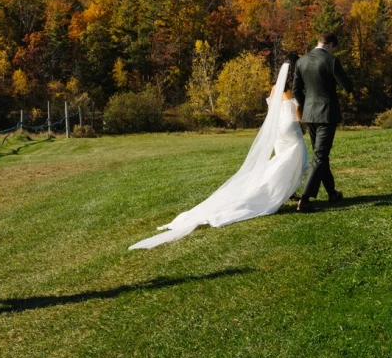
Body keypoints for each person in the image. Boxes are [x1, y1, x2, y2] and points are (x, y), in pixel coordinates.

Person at [129, 54, 308, 249]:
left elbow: (271, 111)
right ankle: (281, 192)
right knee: (296, 159)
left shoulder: (275, 88)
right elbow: (297, 110)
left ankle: (287, 191)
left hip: (278, 130)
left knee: (283, 160)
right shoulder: (292, 89)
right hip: (290, 126)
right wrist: (304, 123)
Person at [292, 31, 353, 213]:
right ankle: (305, 200)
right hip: (326, 114)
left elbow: (296, 90)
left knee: (321, 155)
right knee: (319, 156)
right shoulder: (331, 61)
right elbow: (347, 87)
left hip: (309, 115)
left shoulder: (301, 61)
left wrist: (307, 106)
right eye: (334, 48)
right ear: (331, 45)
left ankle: (332, 192)